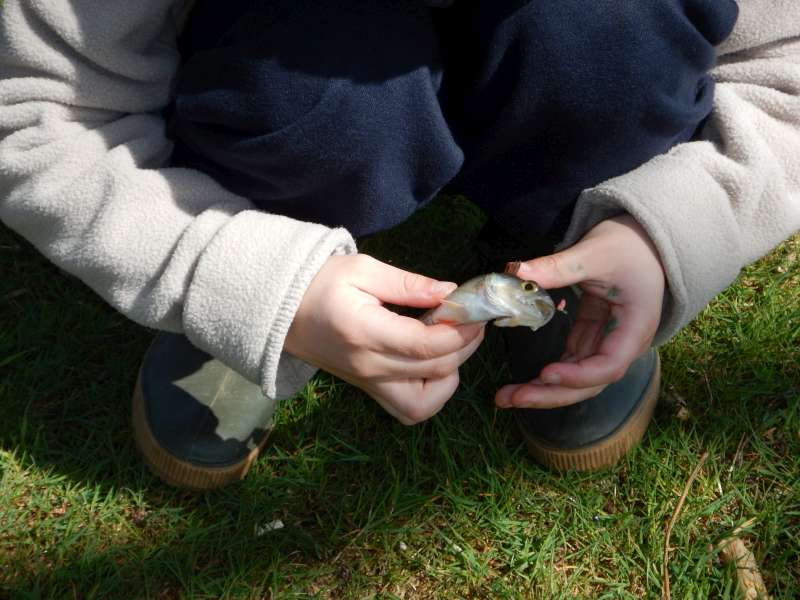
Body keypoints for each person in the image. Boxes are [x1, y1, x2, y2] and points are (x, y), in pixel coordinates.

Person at [0, 1, 797, 490]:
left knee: (604, 33)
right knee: (309, 79)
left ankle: (574, 268)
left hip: (573, 55)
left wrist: (665, 231)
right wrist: (233, 277)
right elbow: (41, 114)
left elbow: (784, 69)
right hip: (288, 58)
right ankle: (250, 269)